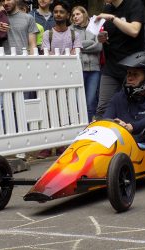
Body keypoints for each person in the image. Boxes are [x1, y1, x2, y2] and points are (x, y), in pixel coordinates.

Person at [37, 0, 82, 159]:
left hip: (68, 78)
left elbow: (75, 54)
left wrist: (62, 57)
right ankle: (48, 146)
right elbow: (46, 57)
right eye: (55, 12)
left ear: (67, 15)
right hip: (50, 77)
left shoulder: (74, 34)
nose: (58, 14)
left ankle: (63, 144)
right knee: (49, 111)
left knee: (67, 110)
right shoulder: (47, 34)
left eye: (61, 12)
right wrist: (64, 56)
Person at [95, 0, 145, 119]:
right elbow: (111, 35)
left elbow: (134, 31)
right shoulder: (108, 8)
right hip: (111, 66)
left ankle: (132, 136)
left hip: (132, 67)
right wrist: (102, 37)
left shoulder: (134, 4)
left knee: (132, 107)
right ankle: (104, 136)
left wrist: (113, 18)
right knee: (103, 108)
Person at [103, 51, 145, 148]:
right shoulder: (118, 97)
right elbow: (106, 118)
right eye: (129, 73)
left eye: (135, 74)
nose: (130, 78)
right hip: (122, 143)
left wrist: (130, 127)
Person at [71, 6, 102, 122]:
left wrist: (80, 46)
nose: (75, 17)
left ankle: (88, 125)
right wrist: (90, 42)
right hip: (78, 69)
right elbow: (71, 46)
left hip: (94, 70)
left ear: (84, 14)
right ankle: (77, 125)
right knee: (77, 102)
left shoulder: (94, 28)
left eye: (78, 14)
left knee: (90, 102)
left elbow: (99, 46)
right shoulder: (70, 29)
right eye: (73, 15)